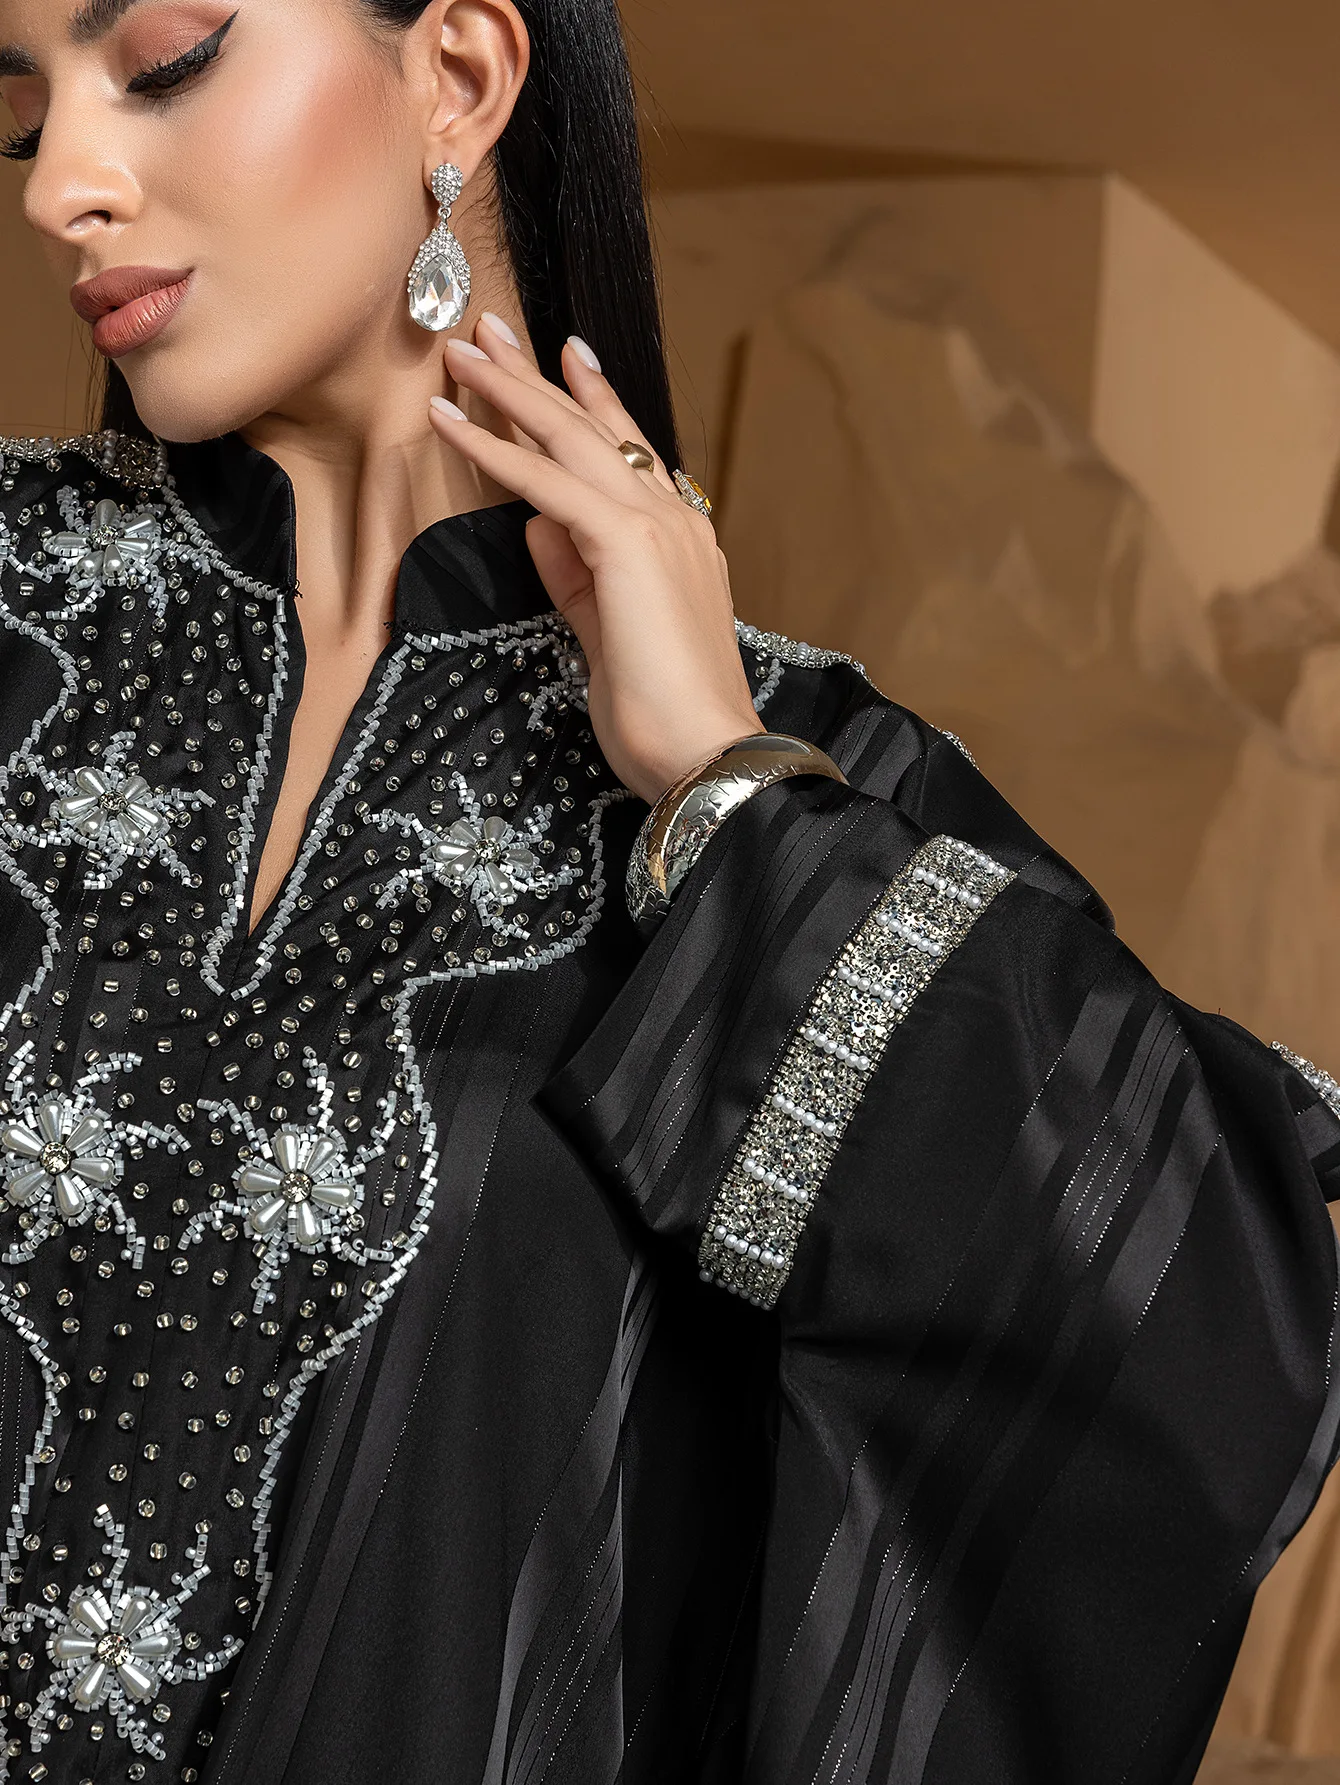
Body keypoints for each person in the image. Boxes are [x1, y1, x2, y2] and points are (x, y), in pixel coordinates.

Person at [0, 2, 1337, 1782]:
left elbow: (1194, 1312)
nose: (62, 187)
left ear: (459, 76)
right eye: (26, 117)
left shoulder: (802, 782)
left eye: (164, 61)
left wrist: (726, 790)